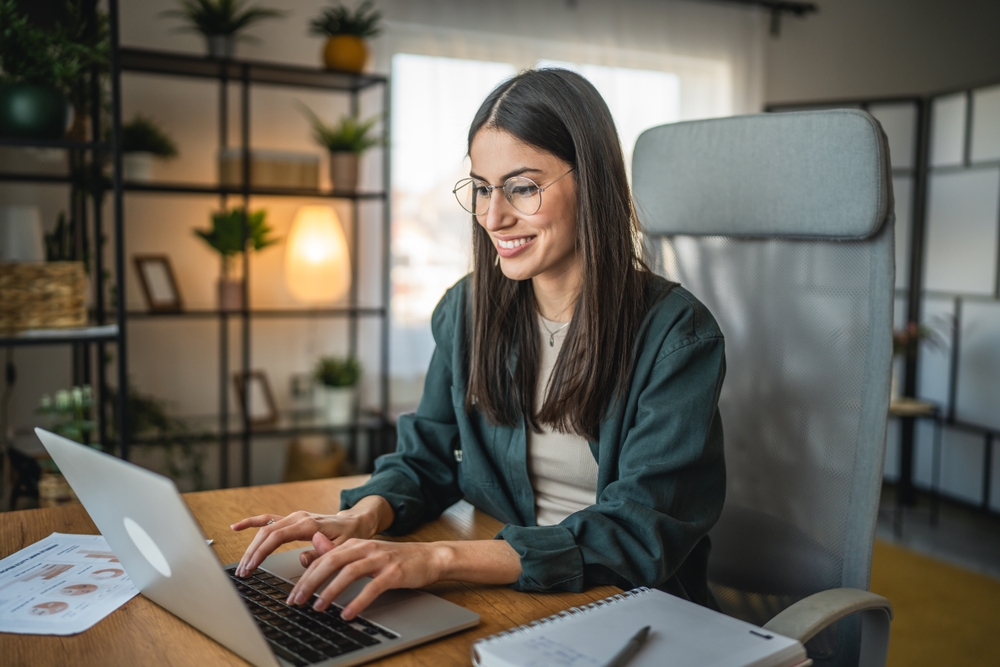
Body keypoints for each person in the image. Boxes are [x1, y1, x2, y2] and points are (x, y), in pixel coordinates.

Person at [232, 68, 726, 622]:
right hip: (510, 591)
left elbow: (640, 533)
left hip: (628, 605)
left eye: (522, 187)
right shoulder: (466, 310)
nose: (494, 216)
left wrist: (437, 560)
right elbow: (428, 456)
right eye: (484, 188)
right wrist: (361, 518)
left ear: (593, 182)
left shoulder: (678, 336)